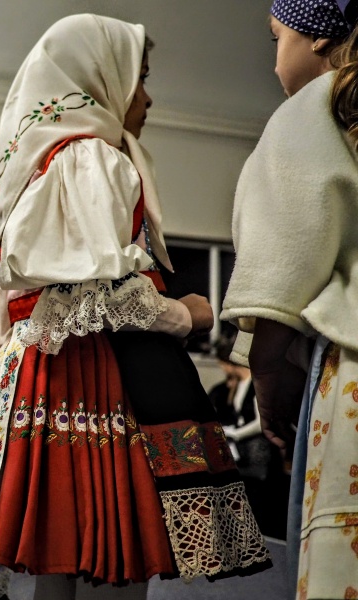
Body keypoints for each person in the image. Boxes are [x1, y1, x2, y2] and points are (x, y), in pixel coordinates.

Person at [0, 14, 271, 600]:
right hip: (94, 376)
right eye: (140, 78)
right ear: (101, 78)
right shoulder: (91, 158)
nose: (148, 98)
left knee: (64, 562)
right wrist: (187, 314)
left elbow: (9, 311)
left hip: (43, 372)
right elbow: (96, 293)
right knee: (108, 558)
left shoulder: (39, 162)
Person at [221, 1, 358, 597]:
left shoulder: (315, 108)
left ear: (320, 36)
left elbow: (286, 252)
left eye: (276, 38)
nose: (275, 57)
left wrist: (268, 370)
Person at [209, 334, 289, 540]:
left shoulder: (256, 383)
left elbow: (260, 421)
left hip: (261, 453)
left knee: (263, 501)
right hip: (244, 456)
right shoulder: (237, 385)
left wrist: (236, 433)